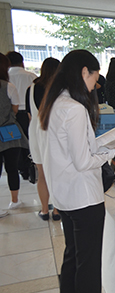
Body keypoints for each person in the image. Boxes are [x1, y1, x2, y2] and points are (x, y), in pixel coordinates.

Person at [37, 49, 115, 293]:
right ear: (84, 72)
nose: (96, 84)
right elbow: (84, 161)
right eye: (94, 77)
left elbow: (74, 150)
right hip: (83, 198)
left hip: (65, 196)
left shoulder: (56, 102)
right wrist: (112, 150)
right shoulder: (76, 109)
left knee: (72, 260)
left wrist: (102, 145)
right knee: (88, 265)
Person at [25, 57, 61, 221]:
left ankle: (45, 210)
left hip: (36, 131)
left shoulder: (31, 88)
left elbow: (29, 114)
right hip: (54, 132)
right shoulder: (60, 89)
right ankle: (58, 210)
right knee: (57, 173)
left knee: (42, 175)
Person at [0, 53, 28, 217]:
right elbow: (15, 109)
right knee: (12, 167)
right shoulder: (8, 86)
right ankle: (14, 200)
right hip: (9, 131)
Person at [6, 51, 37, 179]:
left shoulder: (6, 77)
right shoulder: (31, 76)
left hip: (12, 115)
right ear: (22, 62)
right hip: (28, 114)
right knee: (29, 141)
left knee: (14, 143)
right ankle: (30, 168)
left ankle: (20, 168)